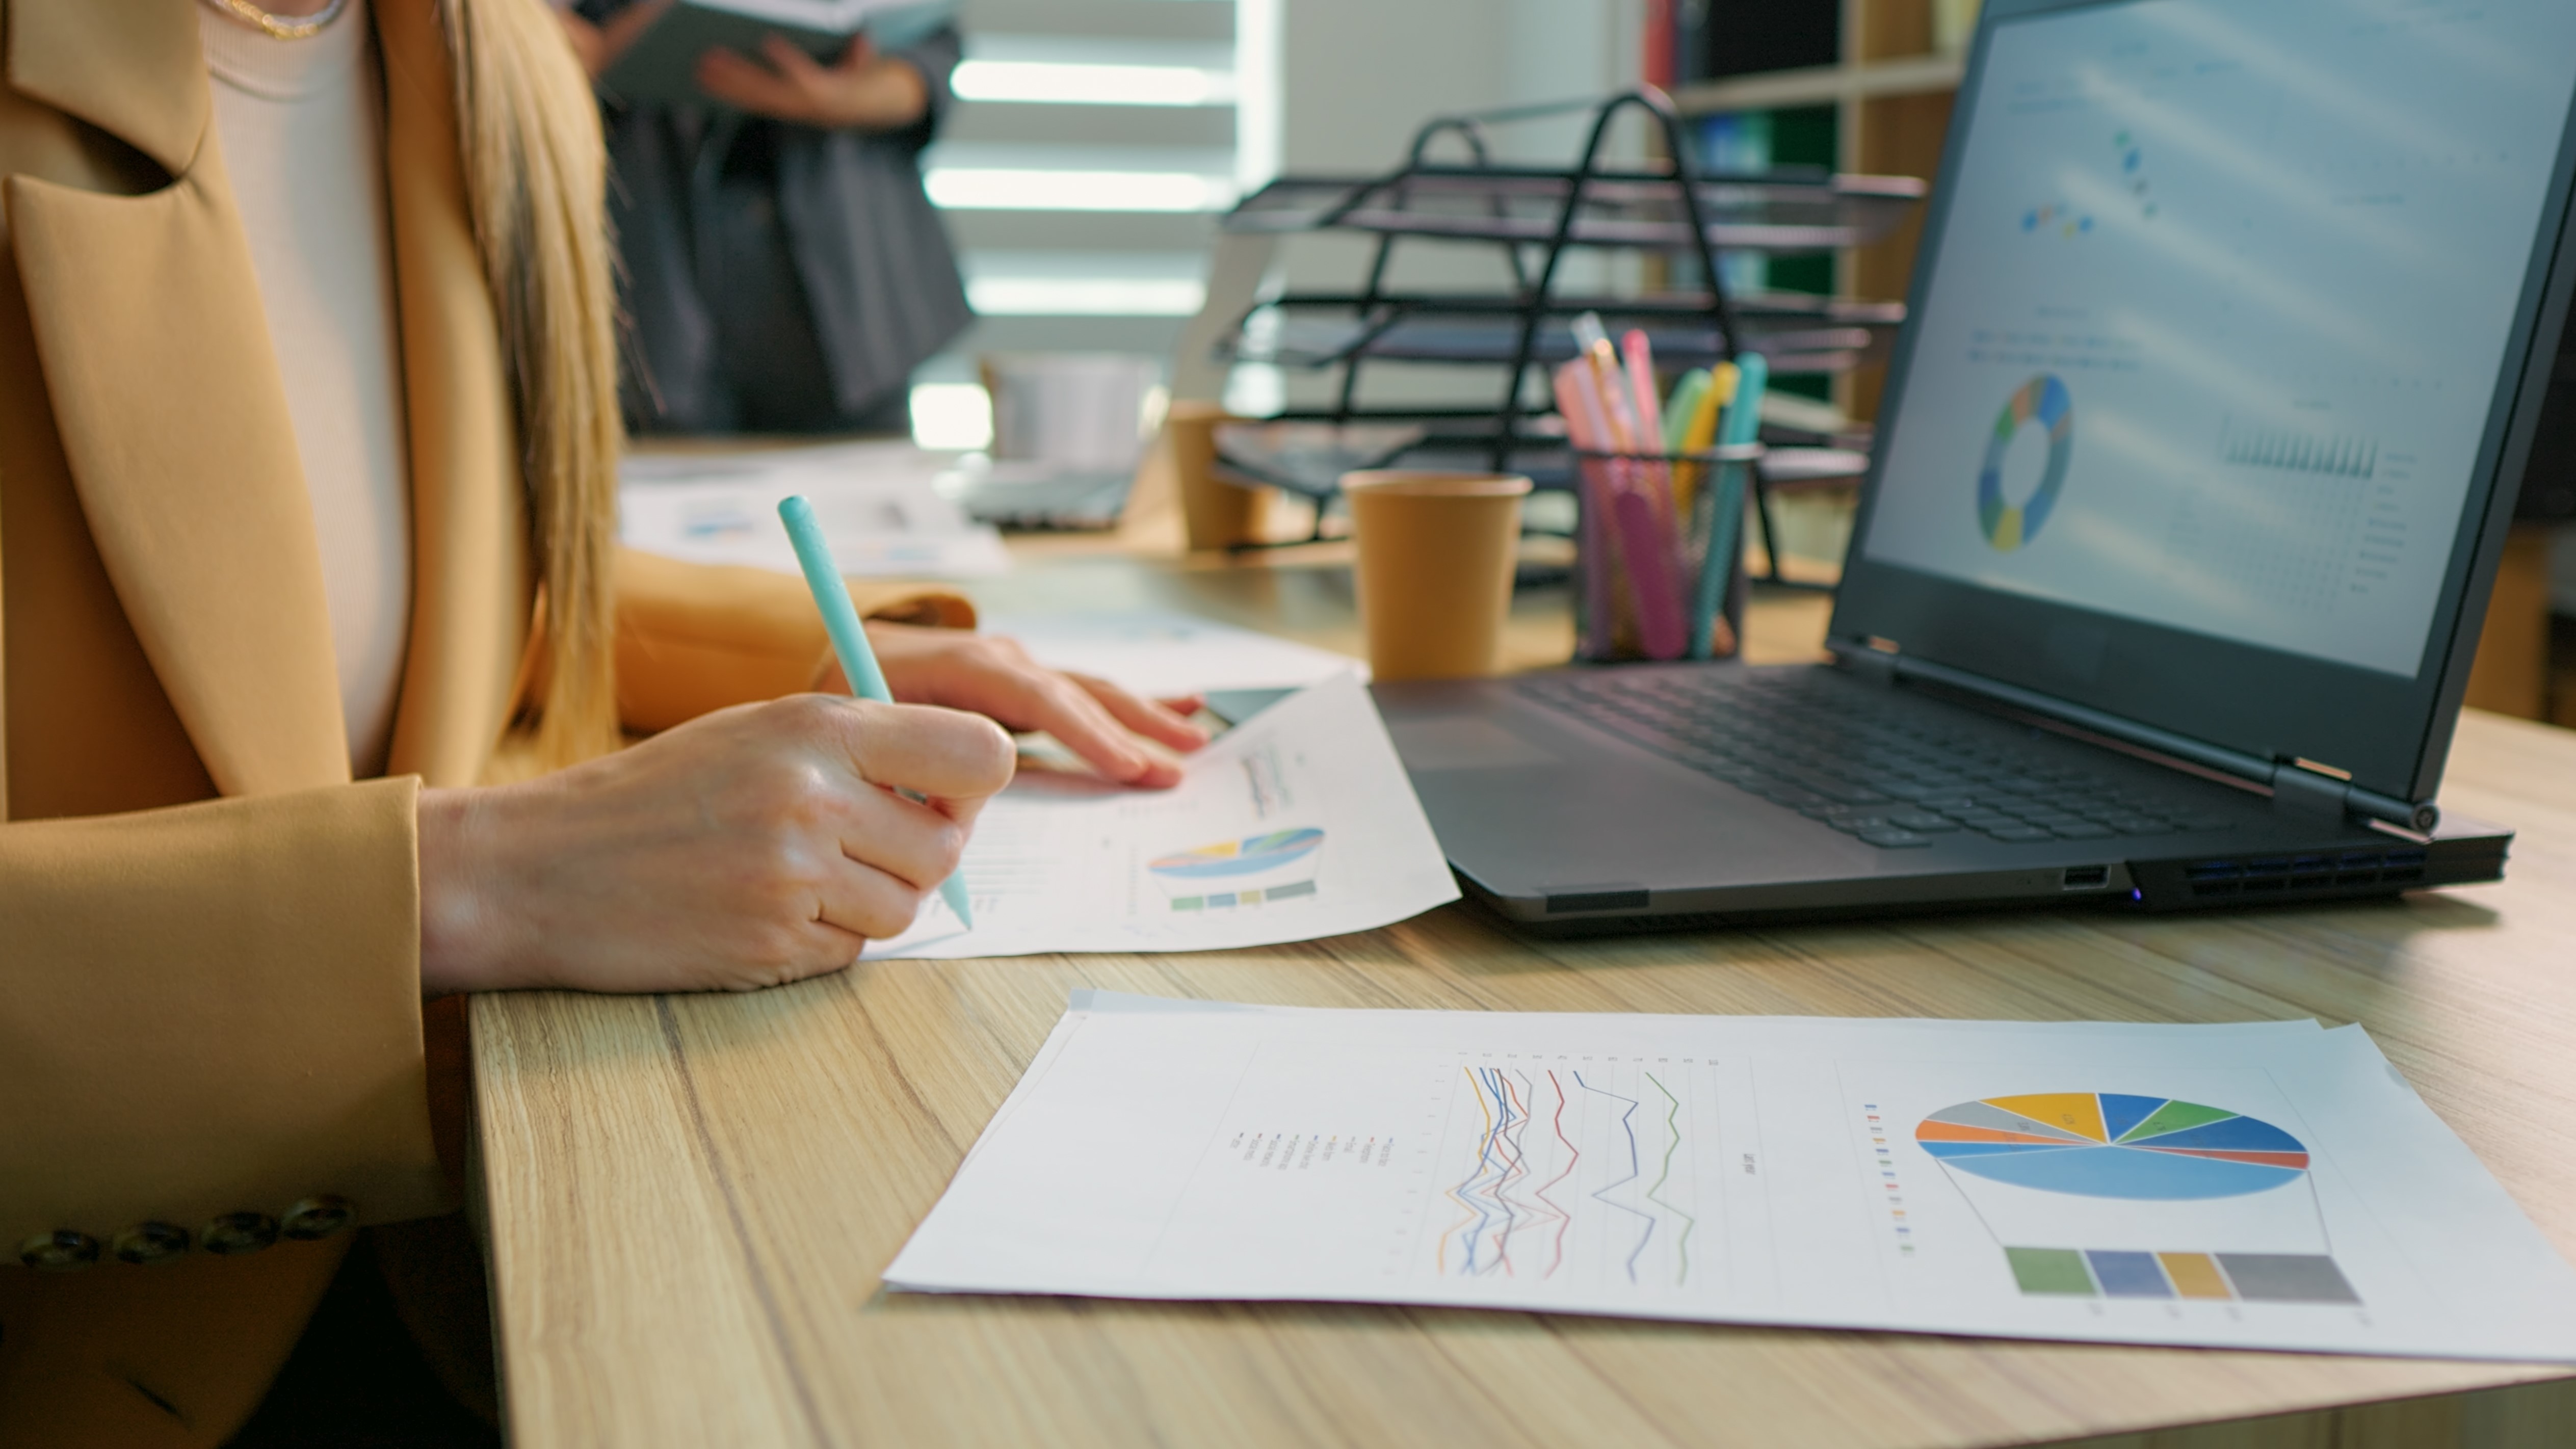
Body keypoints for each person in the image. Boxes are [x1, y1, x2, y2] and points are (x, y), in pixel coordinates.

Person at [0, 1, 1198, 1445]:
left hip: (469, 1279)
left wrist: (842, 652)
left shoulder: (486, 66)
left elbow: (421, 577)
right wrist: (478, 884)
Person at [562, 0, 972, 434]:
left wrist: (847, 97)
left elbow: (930, 53)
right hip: (650, 276)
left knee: (859, 491)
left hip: (845, 301)